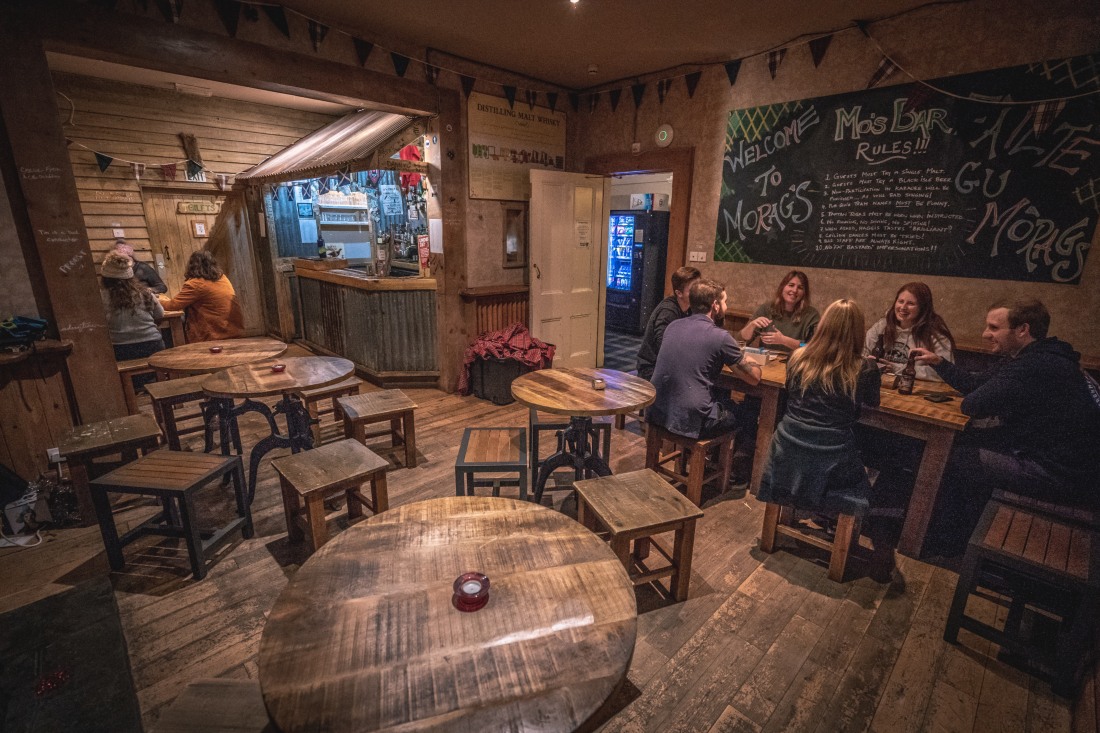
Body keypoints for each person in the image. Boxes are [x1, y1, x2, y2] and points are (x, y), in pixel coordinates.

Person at [912, 300, 1100, 537]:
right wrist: (939, 363)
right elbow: (974, 385)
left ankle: (946, 538)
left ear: (1023, 330)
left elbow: (973, 405)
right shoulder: (1038, 355)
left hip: (1061, 474)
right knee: (961, 439)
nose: (985, 334)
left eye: (993, 328)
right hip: (1046, 453)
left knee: (950, 456)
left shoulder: (1034, 365)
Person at [647, 278, 761, 439]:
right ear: (715, 305)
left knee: (720, 396)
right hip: (692, 420)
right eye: (725, 302)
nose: (726, 307)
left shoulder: (674, 326)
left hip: (657, 410)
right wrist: (751, 361)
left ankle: (703, 459)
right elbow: (754, 378)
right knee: (748, 413)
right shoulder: (720, 336)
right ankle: (733, 461)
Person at [864, 281, 954, 381]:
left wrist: (896, 369)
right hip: (883, 385)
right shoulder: (882, 326)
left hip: (917, 390)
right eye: (900, 301)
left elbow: (942, 373)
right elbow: (863, 354)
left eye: (910, 303)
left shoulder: (935, 334)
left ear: (923, 308)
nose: (903, 307)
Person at [158, 251, 244, 342]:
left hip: (215, 333)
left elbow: (173, 305)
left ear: (191, 266)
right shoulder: (222, 278)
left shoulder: (195, 284)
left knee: (170, 332)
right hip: (232, 328)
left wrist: (156, 300)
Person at [635, 265, 700, 381]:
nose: (698, 293)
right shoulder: (668, 311)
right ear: (679, 293)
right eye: (692, 290)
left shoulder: (690, 309)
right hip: (652, 370)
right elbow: (665, 348)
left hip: (670, 367)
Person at [100, 251, 165, 364]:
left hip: (120, 348)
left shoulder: (100, 297)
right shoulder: (145, 293)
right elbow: (160, 314)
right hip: (152, 344)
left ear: (105, 278)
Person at [739, 270, 819, 353]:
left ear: (804, 293)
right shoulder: (766, 309)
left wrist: (783, 340)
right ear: (782, 287)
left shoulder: (812, 315)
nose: (795, 290)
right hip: (768, 362)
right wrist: (751, 325)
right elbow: (739, 342)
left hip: (795, 362)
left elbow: (813, 347)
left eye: (800, 288)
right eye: (791, 285)